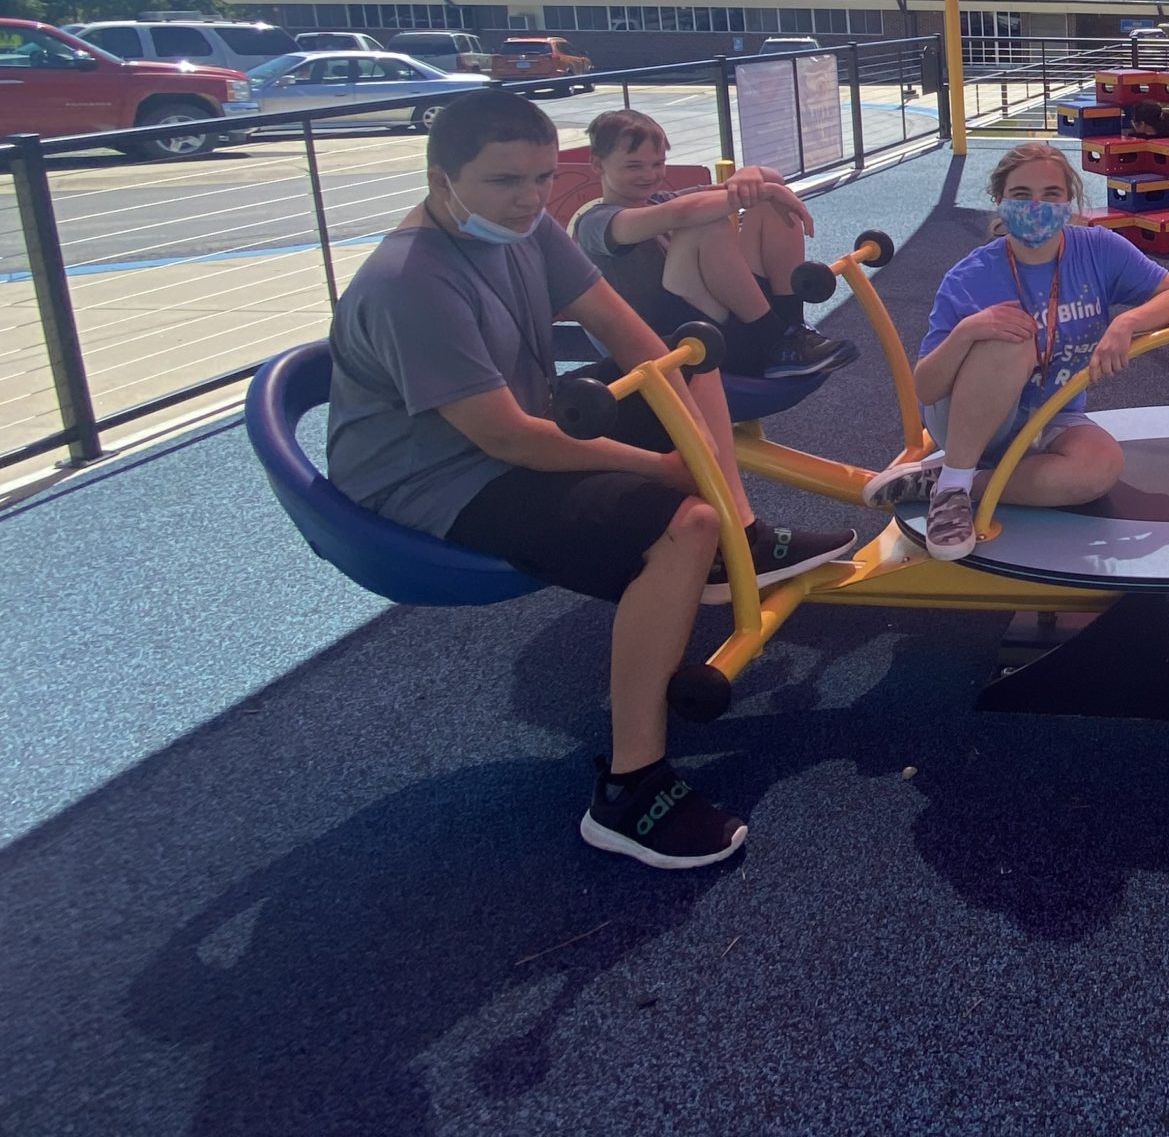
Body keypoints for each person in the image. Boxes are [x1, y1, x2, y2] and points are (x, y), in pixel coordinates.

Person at [325, 90, 859, 870]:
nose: (529, 199)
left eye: (542, 178)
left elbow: (625, 331)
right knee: (681, 524)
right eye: (505, 181)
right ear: (442, 180)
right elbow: (507, 440)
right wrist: (671, 467)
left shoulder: (527, 229)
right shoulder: (413, 283)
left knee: (688, 353)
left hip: (514, 430)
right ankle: (629, 789)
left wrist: (695, 436)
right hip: (443, 478)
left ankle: (743, 536)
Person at [864, 142, 1169, 558]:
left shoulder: (1098, 250)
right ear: (1000, 201)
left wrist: (1126, 323)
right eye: (1021, 195)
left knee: (1101, 467)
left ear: (1069, 201)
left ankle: (948, 482)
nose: (1036, 206)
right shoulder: (970, 277)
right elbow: (927, 389)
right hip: (972, 423)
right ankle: (954, 484)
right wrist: (968, 332)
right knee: (1012, 336)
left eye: (1051, 195)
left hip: (1051, 413)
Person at [572, 110, 846, 379]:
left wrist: (750, 175)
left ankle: (792, 329)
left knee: (767, 205)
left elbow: (769, 180)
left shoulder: (663, 199)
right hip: (680, 345)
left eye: (657, 164)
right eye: (634, 165)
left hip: (724, 323)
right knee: (706, 224)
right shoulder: (595, 222)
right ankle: (775, 340)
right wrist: (767, 189)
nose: (649, 174)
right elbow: (681, 214)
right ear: (598, 165)